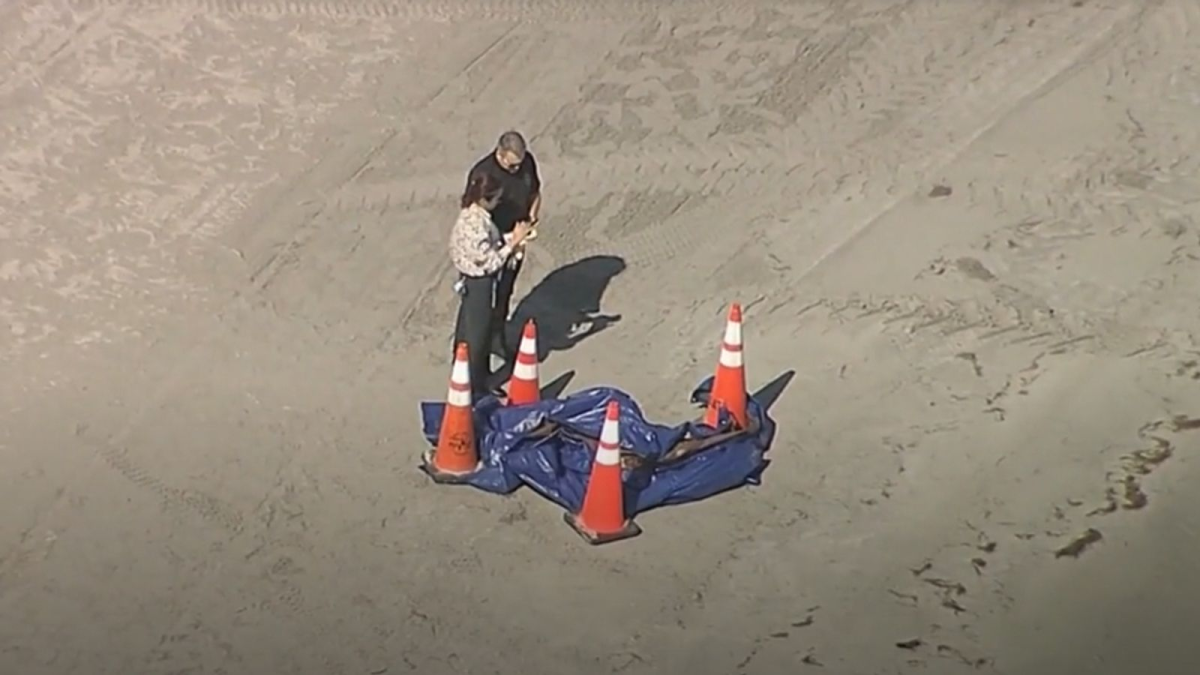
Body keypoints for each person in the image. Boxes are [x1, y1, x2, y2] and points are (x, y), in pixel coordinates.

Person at [449, 170, 534, 397]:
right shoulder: (475, 226)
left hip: (470, 279)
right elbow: (490, 262)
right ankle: (475, 387)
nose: (498, 203)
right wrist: (514, 243)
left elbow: (489, 246)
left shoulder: (472, 215)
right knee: (478, 334)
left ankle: (466, 374)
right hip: (479, 283)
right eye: (496, 199)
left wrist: (509, 239)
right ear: (485, 198)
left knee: (467, 330)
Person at [464, 130, 542, 354]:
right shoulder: (483, 174)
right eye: (511, 166)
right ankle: (476, 341)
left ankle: (497, 336)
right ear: (499, 153)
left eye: (519, 165)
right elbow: (474, 213)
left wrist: (531, 217)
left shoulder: (526, 163)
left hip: (517, 236)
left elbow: (535, 192)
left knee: (506, 288)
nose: (516, 170)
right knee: (482, 293)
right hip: (491, 241)